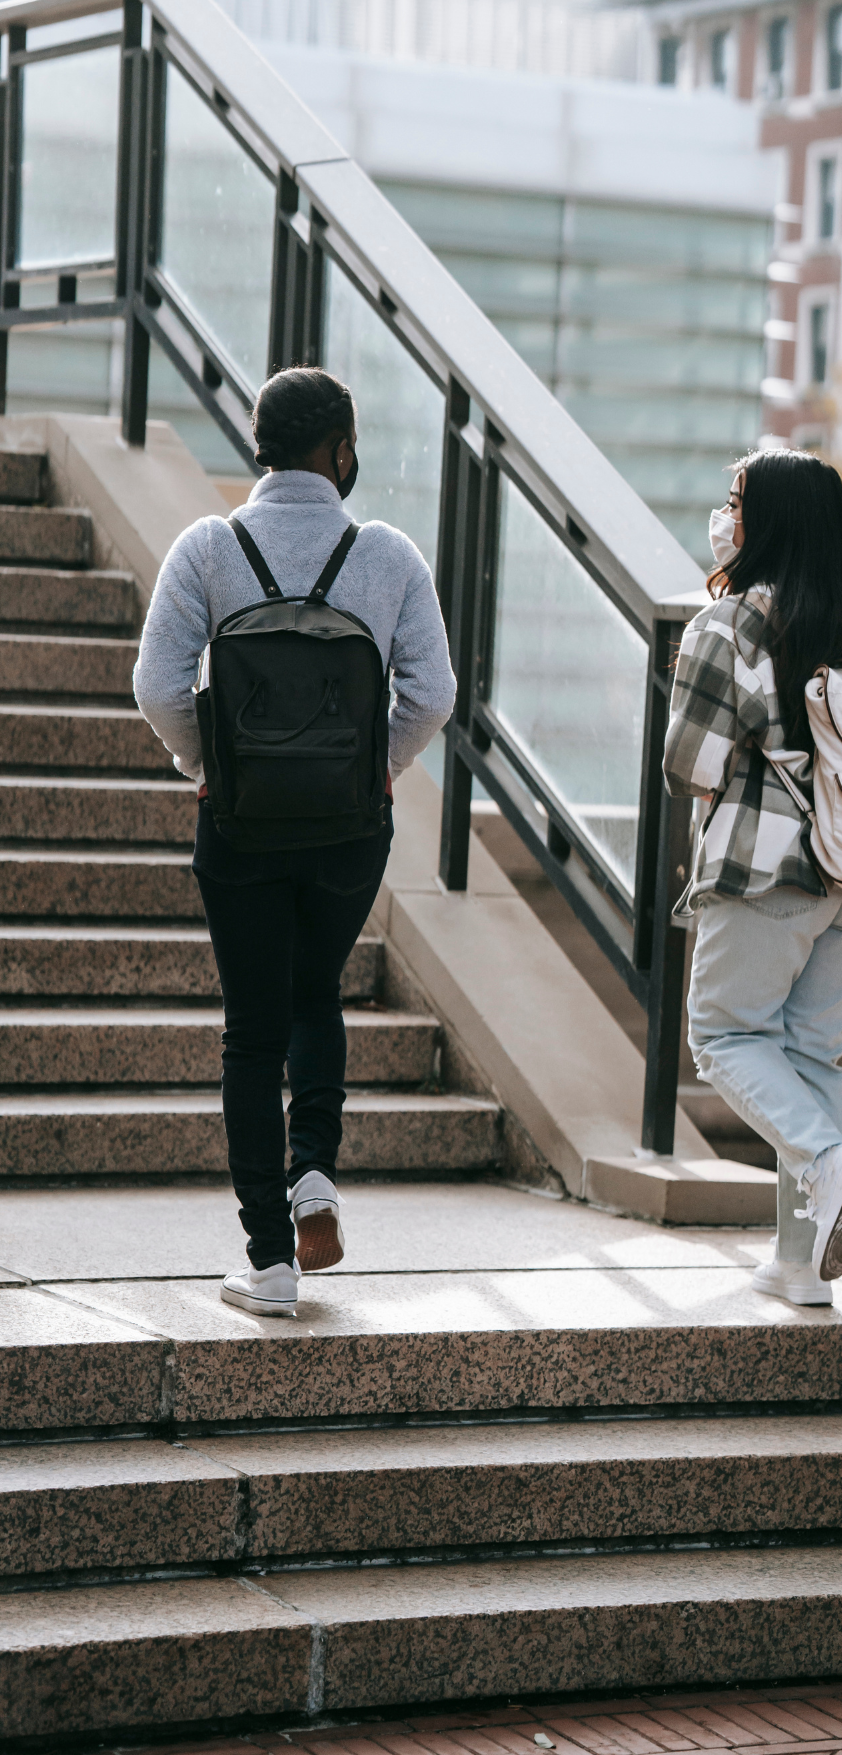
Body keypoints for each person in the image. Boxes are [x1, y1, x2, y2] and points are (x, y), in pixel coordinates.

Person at [134, 366, 456, 1317]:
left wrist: (210, 767)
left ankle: (269, 1261)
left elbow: (157, 686)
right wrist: (377, 768)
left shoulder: (207, 548)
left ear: (259, 446)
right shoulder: (387, 554)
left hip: (240, 824)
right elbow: (432, 695)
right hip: (352, 830)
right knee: (318, 994)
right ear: (341, 450)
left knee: (251, 1032)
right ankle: (313, 1170)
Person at [663, 446, 842, 1306]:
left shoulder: (728, 627)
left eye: (735, 499)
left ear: (768, 519)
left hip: (770, 872)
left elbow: (688, 764)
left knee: (724, 1038)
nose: (725, 515)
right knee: (813, 1054)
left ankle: (831, 1160)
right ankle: (801, 1267)